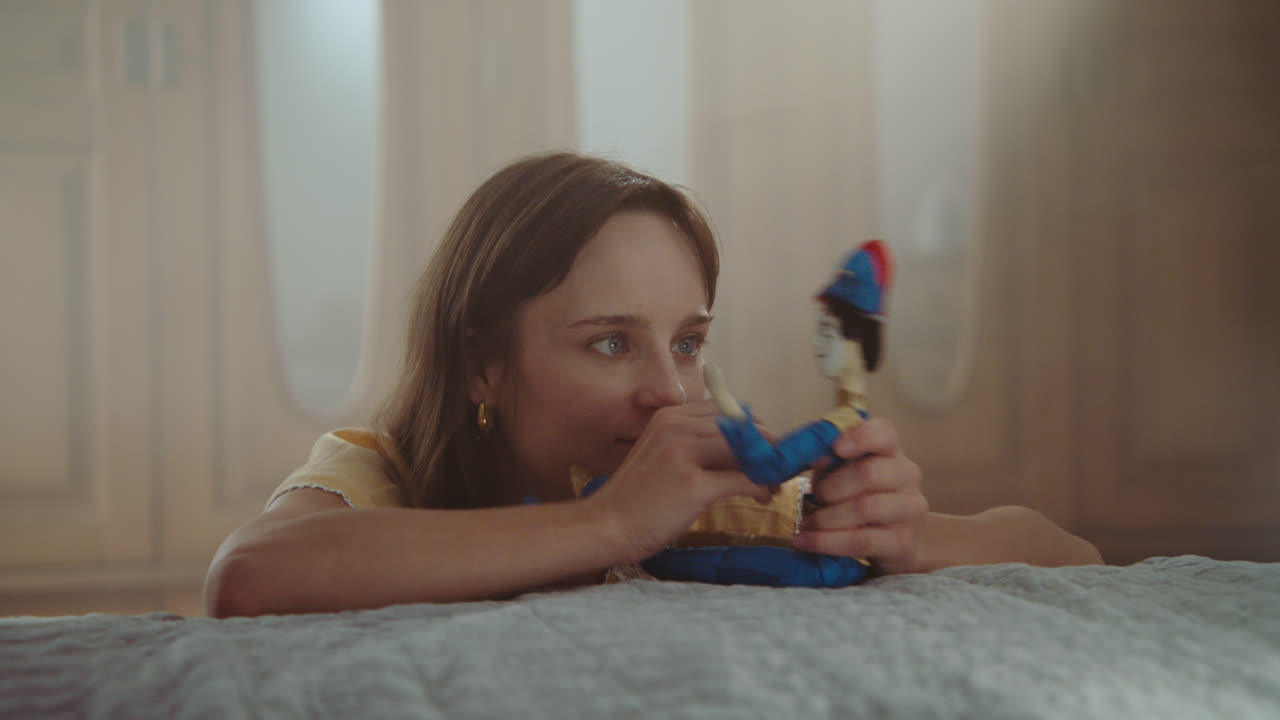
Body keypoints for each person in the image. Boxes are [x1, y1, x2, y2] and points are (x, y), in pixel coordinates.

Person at [203, 151, 1101, 617]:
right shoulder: (380, 471)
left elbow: (1071, 556)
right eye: (607, 345)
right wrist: (611, 524)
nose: (670, 394)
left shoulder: (720, 500)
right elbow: (247, 576)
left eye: (686, 343)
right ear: (482, 361)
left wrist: (908, 534)